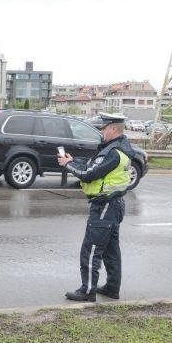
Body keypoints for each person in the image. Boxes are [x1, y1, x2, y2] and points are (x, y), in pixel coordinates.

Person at [57, 112, 135, 302]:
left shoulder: (114, 153)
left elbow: (88, 175)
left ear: (114, 129)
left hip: (105, 206)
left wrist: (68, 165)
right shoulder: (119, 149)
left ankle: (87, 291)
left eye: (104, 128)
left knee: (91, 249)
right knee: (110, 250)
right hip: (114, 205)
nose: (102, 131)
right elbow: (93, 166)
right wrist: (73, 160)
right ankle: (111, 288)